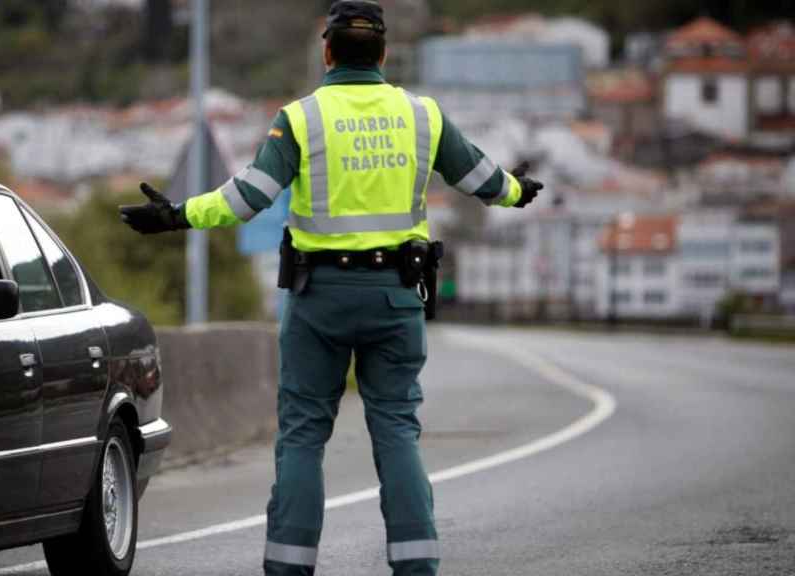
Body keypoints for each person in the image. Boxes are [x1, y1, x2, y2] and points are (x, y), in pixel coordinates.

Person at [120, 1, 544, 574]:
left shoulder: (301, 118)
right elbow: (482, 180)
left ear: (327, 52)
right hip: (396, 297)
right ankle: (416, 566)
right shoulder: (423, 116)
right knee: (395, 431)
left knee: (302, 437)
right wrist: (518, 190)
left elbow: (247, 197)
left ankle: (290, 567)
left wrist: (176, 215)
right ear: (384, 54)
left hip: (319, 299)